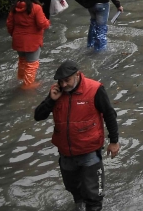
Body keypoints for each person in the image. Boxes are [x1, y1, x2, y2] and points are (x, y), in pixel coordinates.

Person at [34, 60, 120, 211]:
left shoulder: (95, 89)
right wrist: (50, 100)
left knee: (94, 196)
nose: (64, 84)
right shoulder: (57, 93)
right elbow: (38, 116)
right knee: (74, 190)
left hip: (89, 152)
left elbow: (109, 115)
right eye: (61, 81)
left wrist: (114, 141)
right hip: (66, 154)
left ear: (77, 75)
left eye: (67, 80)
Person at [6, 0, 51, 89]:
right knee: (32, 64)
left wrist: (14, 35)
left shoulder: (15, 7)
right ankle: (27, 86)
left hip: (18, 40)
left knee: (22, 61)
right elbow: (41, 23)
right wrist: (47, 23)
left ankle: (21, 79)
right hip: (32, 42)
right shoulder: (36, 8)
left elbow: (9, 24)